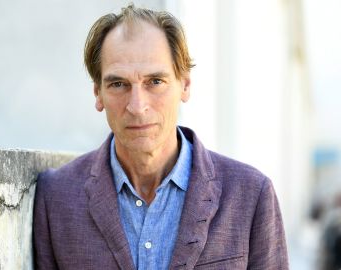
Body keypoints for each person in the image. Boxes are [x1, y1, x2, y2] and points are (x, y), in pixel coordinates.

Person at [33, 4, 288, 270]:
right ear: (98, 93)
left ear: (185, 85)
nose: (137, 105)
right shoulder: (57, 197)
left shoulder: (250, 195)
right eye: (118, 84)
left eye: (155, 81)